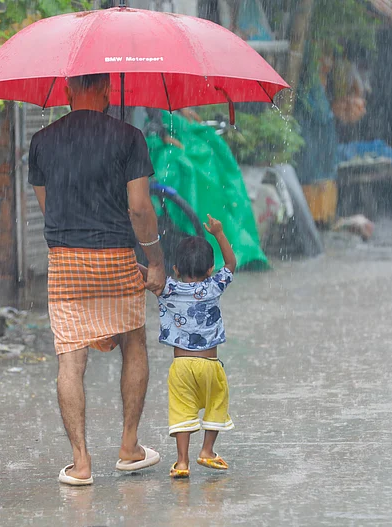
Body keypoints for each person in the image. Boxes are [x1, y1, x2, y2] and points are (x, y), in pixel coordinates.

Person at [27, 73, 167, 486]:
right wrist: (154, 261)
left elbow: (48, 207)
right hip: (117, 254)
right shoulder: (129, 137)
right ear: (108, 90)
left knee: (71, 359)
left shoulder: (42, 141)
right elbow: (140, 209)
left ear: (67, 91)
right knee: (134, 341)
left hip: (66, 262)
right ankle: (128, 447)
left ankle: (81, 463)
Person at [142, 215, 236, 478]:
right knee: (217, 403)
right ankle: (207, 450)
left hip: (181, 367)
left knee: (182, 410)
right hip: (210, 365)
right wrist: (218, 233)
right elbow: (231, 263)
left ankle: (182, 462)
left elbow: (145, 274)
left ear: (175, 269)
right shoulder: (214, 286)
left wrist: (134, 261)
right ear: (210, 269)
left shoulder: (167, 288)